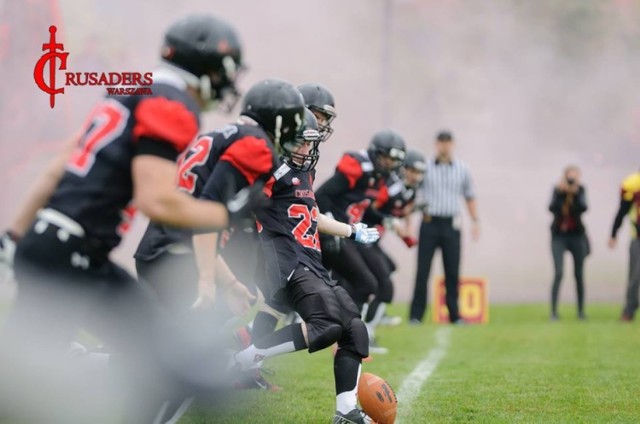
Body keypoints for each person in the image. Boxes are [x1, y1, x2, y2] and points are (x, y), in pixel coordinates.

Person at [0, 14, 256, 423]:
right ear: (206, 66)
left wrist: (14, 235)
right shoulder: (173, 103)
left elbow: (56, 168)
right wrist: (227, 213)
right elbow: (156, 200)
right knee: (164, 362)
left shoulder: (131, 88)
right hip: (73, 259)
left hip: (50, 246)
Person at [231, 107, 380, 424]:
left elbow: (311, 216)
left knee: (354, 330)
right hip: (287, 262)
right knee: (326, 325)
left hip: (310, 262)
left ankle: (345, 412)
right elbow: (243, 201)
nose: (304, 148)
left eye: (308, 142)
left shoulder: (302, 173)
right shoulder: (271, 167)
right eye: (299, 141)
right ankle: (242, 360)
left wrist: (351, 230)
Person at [134, 78, 306, 316]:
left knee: (164, 346)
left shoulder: (225, 133)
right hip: (178, 259)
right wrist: (207, 279)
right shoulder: (256, 146)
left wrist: (229, 283)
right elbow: (208, 210)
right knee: (186, 349)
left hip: (163, 248)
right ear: (280, 121)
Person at [409, 130, 480, 324]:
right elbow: (412, 193)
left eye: (448, 142)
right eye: (441, 142)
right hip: (429, 222)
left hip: (451, 225)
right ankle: (416, 315)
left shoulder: (462, 168)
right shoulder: (425, 167)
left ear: (453, 144)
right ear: (436, 144)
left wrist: (475, 221)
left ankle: (454, 314)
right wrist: (407, 221)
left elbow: (469, 196)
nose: (444, 146)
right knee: (423, 271)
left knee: (452, 271)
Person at [548, 165, 589, 321]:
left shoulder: (581, 190)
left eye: (574, 176)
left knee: (579, 274)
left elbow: (584, 208)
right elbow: (551, 208)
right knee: (559, 272)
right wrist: (561, 193)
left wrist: (575, 193)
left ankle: (580, 311)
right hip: (559, 236)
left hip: (576, 236)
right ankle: (553, 312)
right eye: (569, 176)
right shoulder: (557, 190)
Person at [609, 169, 640, 321]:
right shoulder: (633, 183)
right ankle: (629, 309)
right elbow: (622, 211)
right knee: (635, 276)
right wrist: (614, 233)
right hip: (638, 237)